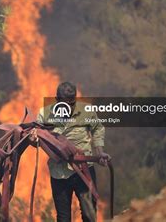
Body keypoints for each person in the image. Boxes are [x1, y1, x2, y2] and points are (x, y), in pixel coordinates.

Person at [29, 82, 111, 222]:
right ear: (57, 100)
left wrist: (99, 152)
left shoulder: (86, 110)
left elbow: (97, 128)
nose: (69, 107)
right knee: (63, 218)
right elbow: (36, 139)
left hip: (84, 171)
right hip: (59, 173)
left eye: (72, 103)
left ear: (76, 98)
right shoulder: (44, 114)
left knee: (89, 214)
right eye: (64, 103)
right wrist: (33, 139)